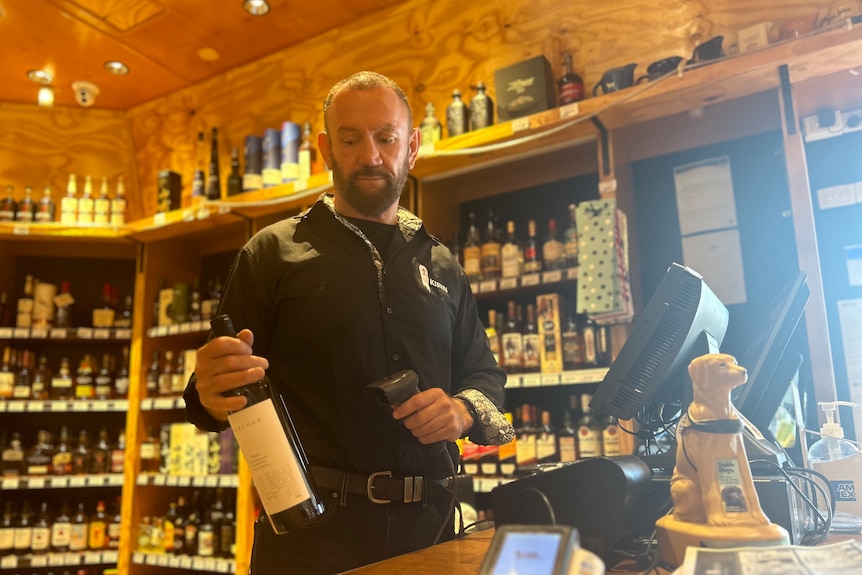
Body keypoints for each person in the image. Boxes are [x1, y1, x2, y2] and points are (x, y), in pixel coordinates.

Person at [184, 71, 514, 574]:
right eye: (351, 138)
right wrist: (209, 392)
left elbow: (485, 375)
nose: (372, 155)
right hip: (312, 536)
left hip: (433, 529)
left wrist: (462, 411)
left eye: (387, 138)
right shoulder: (272, 252)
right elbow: (213, 393)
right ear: (325, 148)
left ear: (412, 146)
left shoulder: (442, 263)